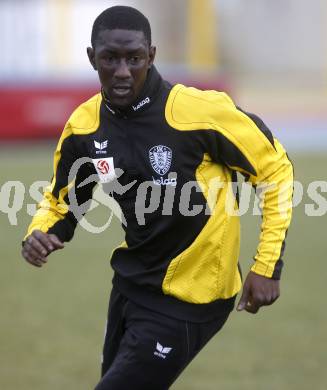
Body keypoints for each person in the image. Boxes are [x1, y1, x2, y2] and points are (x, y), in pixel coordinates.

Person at [21, 6, 293, 390]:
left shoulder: (199, 112)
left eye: (133, 58)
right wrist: (39, 233)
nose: (121, 70)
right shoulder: (85, 127)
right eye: (109, 58)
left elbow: (275, 170)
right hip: (130, 287)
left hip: (192, 299)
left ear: (151, 55)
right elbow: (61, 201)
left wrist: (267, 265)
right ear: (91, 58)